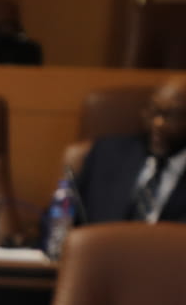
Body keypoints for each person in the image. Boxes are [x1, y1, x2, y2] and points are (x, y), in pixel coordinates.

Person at [74, 75, 186, 224]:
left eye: (171, 115)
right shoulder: (105, 154)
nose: (158, 123)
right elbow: (62, 218)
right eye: (154, 111)